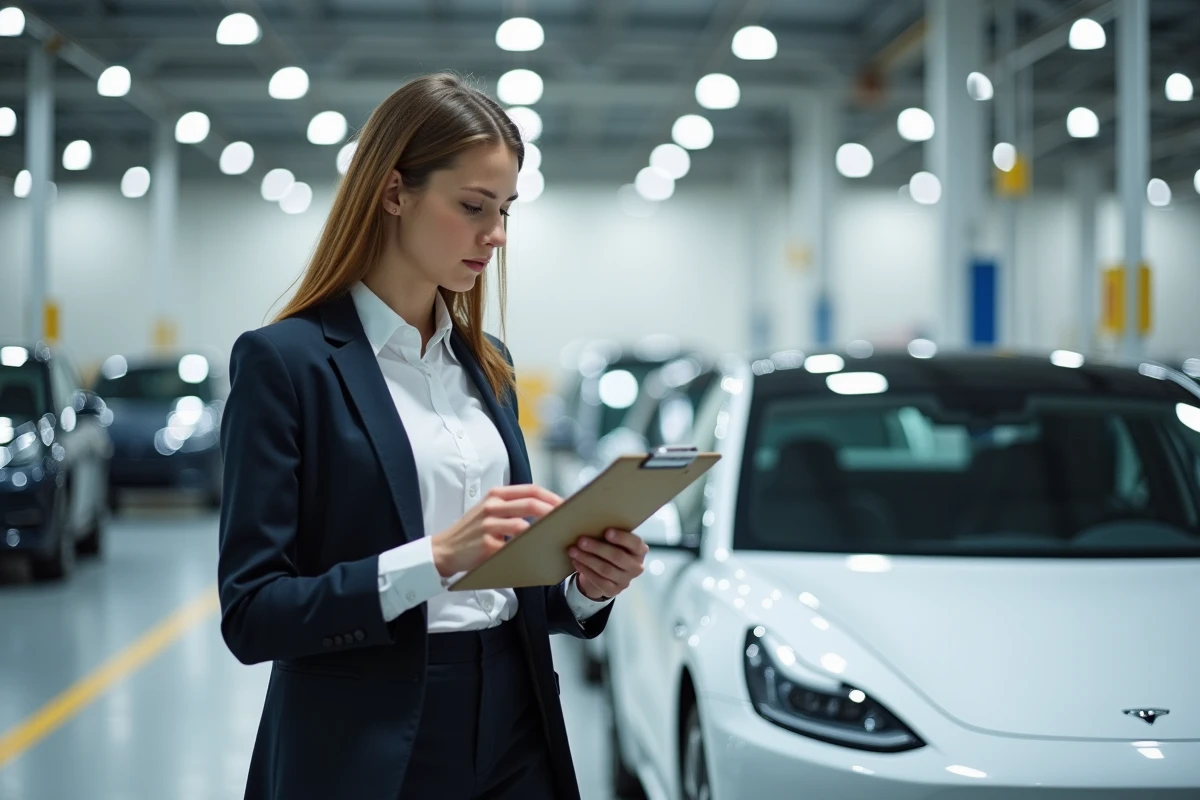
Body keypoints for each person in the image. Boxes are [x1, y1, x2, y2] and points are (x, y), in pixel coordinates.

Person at [216, 73, 649, 800]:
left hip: (516, 722)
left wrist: (581, 588)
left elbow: (511, 590)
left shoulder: (489, 365)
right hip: (367, 738)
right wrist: (433, 559)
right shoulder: (285, 363)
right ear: (393, 192)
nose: (498, 234)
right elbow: (254, 614)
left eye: (506, 209)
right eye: (474, 206)